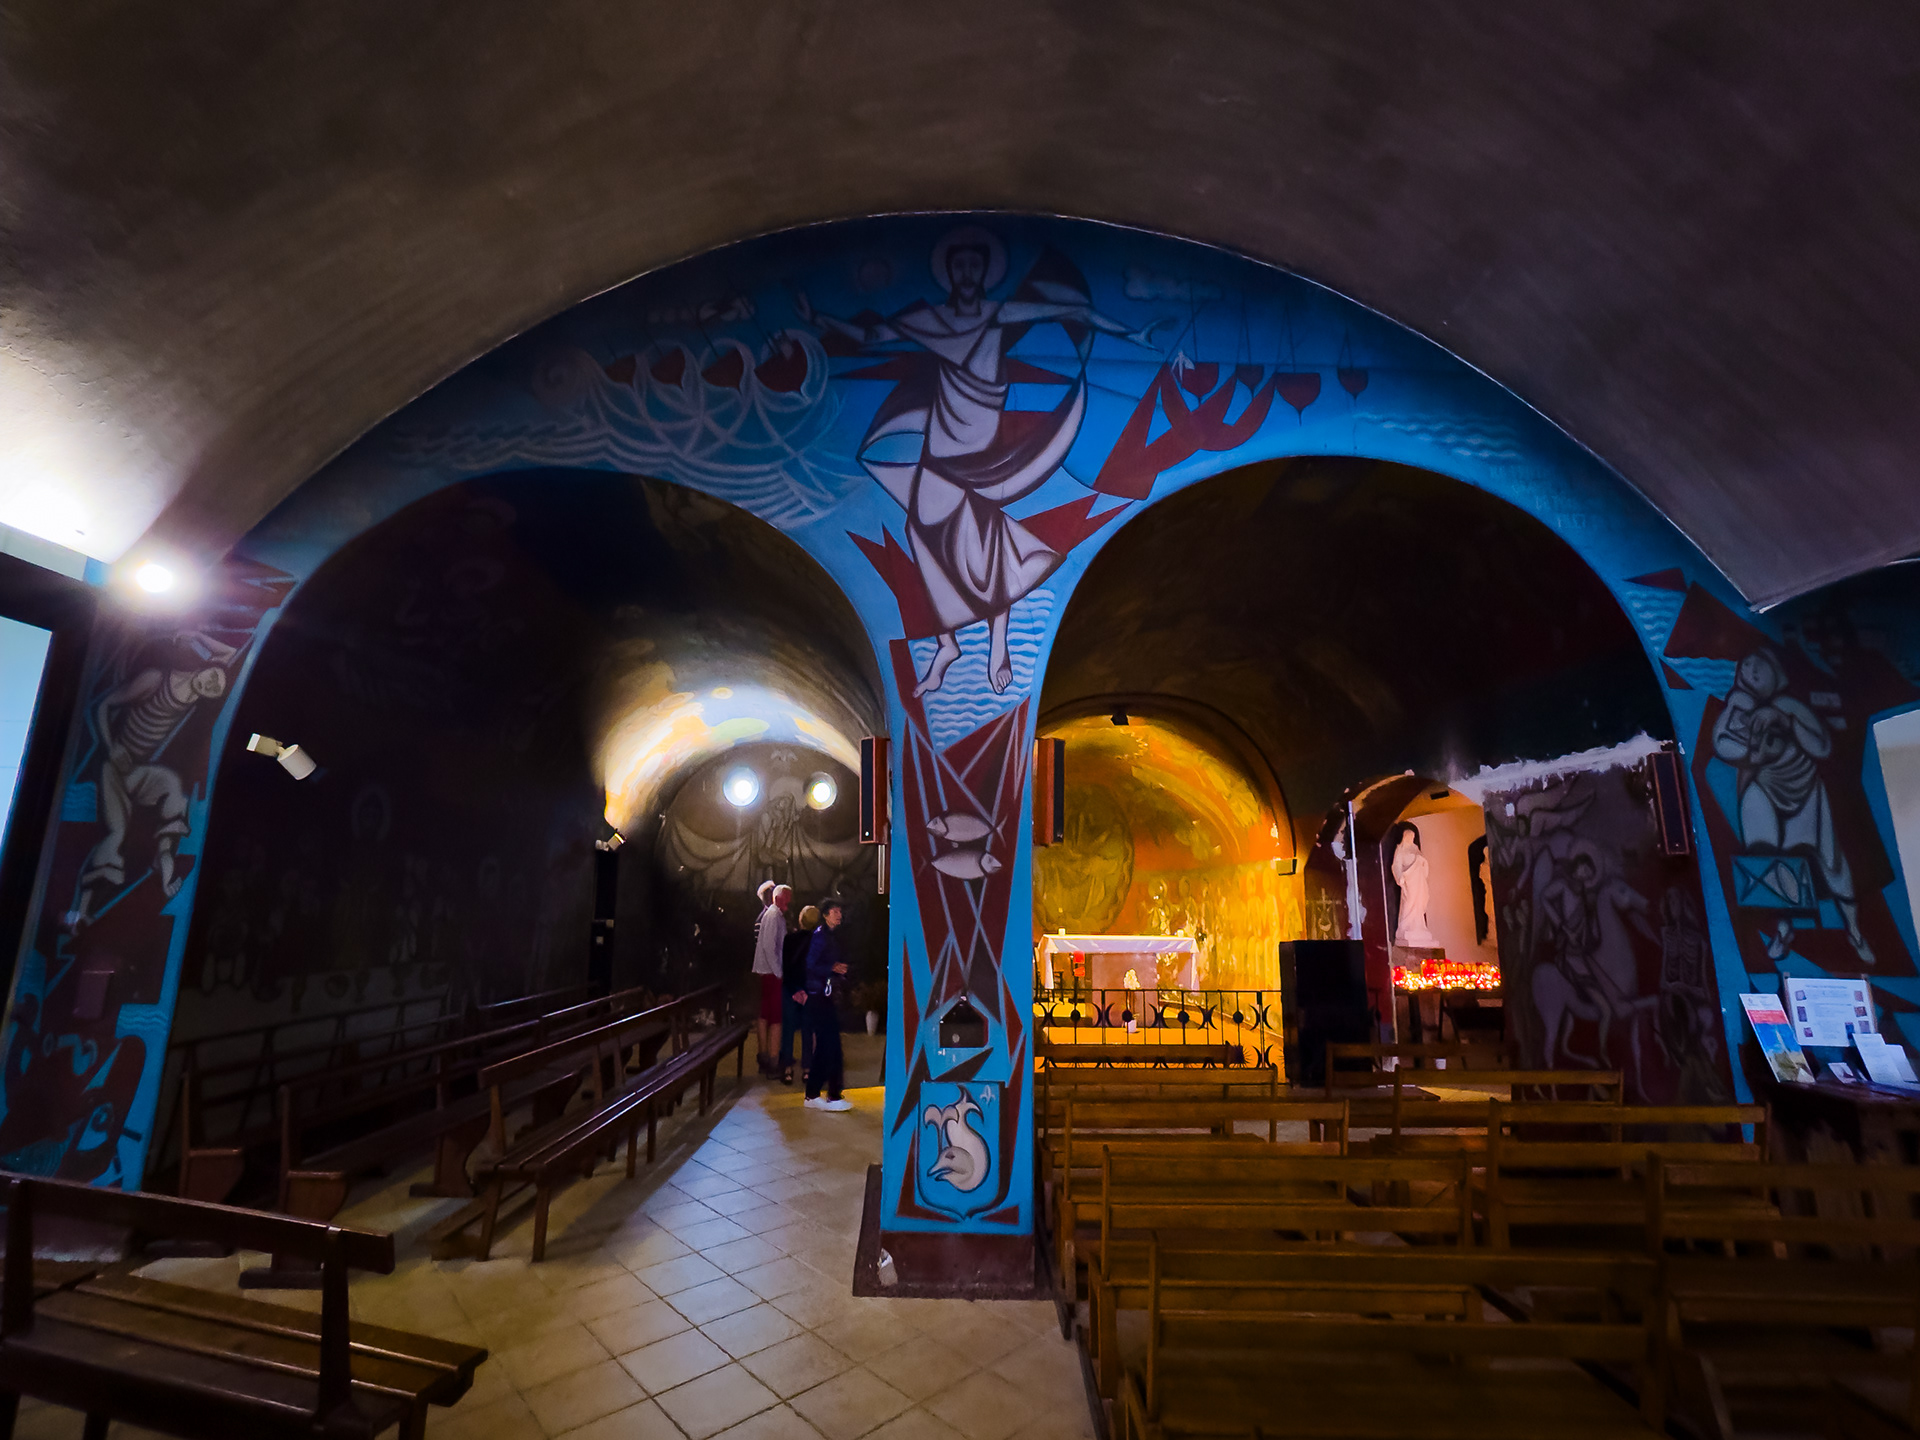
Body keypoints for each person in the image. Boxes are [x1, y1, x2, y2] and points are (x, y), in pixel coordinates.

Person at [799, 897, 851, 1111]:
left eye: (840, 911)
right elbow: (809, 964)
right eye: (835, 911)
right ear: (826, 914)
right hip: (818, 997)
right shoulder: (820, 937)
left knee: (828, 1045)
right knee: (829, 1045)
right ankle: (825, 1094)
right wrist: (832, 967)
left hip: (824, 996)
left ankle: (822, 1094)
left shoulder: (830, 937)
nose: (839, 915)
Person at [751, 881, 792, 1074]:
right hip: (771, 972)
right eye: (787, 898)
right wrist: (779, 972)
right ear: (777, 898)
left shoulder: (770, 914)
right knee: (776, 1017)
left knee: (765, 1014)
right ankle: (774, 1060)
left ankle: (764, 1054)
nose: (789, 903)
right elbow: (770, 946)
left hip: (764, 971)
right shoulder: (775, 916)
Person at [778, 904, 819, 1084]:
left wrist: (795, 990)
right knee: (807, 1030)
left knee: (788, 1029)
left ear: (800, 920)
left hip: (791, 990)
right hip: (810, 991)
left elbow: (786, 967)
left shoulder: (789, 939)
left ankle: (787, 1069)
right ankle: (808, 1070)